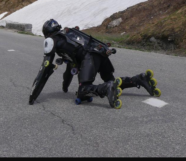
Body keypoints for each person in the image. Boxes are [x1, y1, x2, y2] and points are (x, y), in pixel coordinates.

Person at [29, 19, 161, 109]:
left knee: (83, 90)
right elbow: (70, 67)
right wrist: (65, 86)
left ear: (46, 33)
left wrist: (33, 96)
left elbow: (45, 66)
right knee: (113, 81)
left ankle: (107, 88)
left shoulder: (52, 40)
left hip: (89, 56)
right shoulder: (66, 37)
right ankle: (139, 79)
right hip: (99, 53)